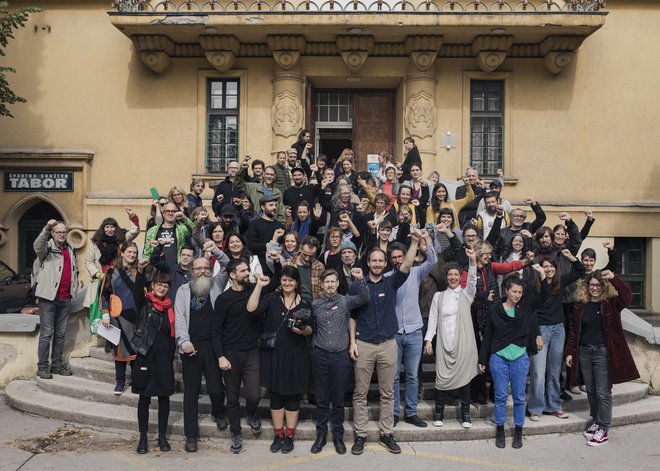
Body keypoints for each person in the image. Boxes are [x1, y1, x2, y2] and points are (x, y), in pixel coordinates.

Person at [349, 230, 420, 456]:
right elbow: (352, 316)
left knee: (387, 392)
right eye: (374, 260)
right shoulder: (358, 286)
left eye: (381, 260)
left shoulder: (391, 282)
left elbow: (407, 264)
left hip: (388, 344)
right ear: (368, 262)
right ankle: (360, 434)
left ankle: (386, 433)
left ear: (385, 263)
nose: (378, 264)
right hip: (364, 345)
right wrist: (352, 342)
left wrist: (415, 241)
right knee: (360, 393)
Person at [565, 270, 639, 447]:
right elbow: (574, 330)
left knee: (603, 392)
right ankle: (596, 421)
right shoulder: (580, 305)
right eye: (592, 285)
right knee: (590, 390)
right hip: (583, 352)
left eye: (598, 285)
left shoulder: (611, 304)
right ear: (586, 286)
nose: (595, 288)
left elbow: (627, 296)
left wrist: (613, 277)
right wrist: (569, 352)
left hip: (602, 353)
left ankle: (604, 428)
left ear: (604, 287)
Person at [213, 258, 280, 454]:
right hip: (230, 353)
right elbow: (216, 331)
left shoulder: (254, 289)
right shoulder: (223, 299)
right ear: (232, 275)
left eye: (248, 269)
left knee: (253, 394)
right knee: (232, 398)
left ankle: (251, 414)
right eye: (243, 271)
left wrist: (275, 263)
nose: (247, 273)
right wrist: (220, 356)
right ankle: (236, 432)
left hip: (252, 351)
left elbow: (275, 282)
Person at [247, 266, 312, 454]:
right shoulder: (272, 299)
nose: (287, 283)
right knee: (276, 397)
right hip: (274, 355)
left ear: (297, 283)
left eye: (291, 280)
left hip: (296, 355)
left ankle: (290, 436)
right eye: (284, 279)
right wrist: (259, 286)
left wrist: (302, 330)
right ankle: (278, 435)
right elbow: (251, 309)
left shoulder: (305, 303)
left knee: (292, 397)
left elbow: (310, 329)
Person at [310, 268, 369, 454]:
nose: (329, 285)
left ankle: (338, 436)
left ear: (337, 283)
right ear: (321, 284)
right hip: (320, 355)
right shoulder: (315, 305)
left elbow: (364, 298)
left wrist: (360, 279)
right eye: (326, 282)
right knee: (321, 399)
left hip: (340, 356)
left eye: (333, 282)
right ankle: (320, 436)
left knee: (337, 400)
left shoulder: (345, 301)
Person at [478, 276, 542, 449]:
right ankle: (500, 429)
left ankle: (518, 431)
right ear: (506, 291)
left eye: (520, 292)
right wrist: (483, 359)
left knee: (520, 398)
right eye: (514, 291)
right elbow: (489, 335)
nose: (517, 295)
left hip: (520, 358)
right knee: (500, 397)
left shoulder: (525, 309)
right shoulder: (495, 309)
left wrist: (541, 276)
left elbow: (542, 297)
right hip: (499, 358)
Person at [174, 256, 229, 452]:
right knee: (191, 392)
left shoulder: (216, 285)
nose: (203, 271)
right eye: (198, 268)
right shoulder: (183, 291)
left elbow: (226, 263)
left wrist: (213, 248)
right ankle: (190, 435)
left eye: (206, 267)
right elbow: (179, 316)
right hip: (191, 347)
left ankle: (218, 411)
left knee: (216, 387)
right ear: (192, 271)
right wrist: (184, 341)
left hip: (212, 346)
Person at [527, 250, 585, 422]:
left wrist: (571, 257)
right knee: (538, 372)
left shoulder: (560, 282)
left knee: (554, 371)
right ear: (540, 270)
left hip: (558, 330)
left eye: (551, 267)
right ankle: (536, 408)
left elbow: (580, 271)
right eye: (545, 267)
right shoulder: (533, 287)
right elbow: (531, 313)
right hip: (541, 330)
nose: (549, 269)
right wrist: (536, 334)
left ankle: (553, 405)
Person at [424, 248, 478, 428]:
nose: (453, 277)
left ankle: (466, 415)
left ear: (459, 276)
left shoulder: (466, 294)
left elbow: (472, 282)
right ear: (446, 277)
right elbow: (432, 320)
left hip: (464, 344)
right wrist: (429, 339)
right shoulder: (439, 297)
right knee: (441, 378)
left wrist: (472, 263)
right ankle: (438, 413)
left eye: (456, 274)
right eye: (450, 275)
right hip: (443, 342)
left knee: (465, 380)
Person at [389, 231, 437, 428]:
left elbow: (432, 259)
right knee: (392, 376)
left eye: (400, 256)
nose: (398, 260)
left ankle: (410, 412)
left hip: (415, 331)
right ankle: (392, 412)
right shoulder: (386, 277)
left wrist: (425, 239)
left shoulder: (415, 272)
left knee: (412, 375)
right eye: (394, 258)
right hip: (394, 334)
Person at [131, 269, 176, 455]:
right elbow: (136, 292)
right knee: (144, 398)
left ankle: (162, 436)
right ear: (152, 285)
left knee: (164, 398)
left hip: (164, 359)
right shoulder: (145, 303)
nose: (162, 287)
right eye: (159, 284)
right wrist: (140, 272)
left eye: (165, 285)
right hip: (146, 356)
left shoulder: (169, 308)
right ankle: (143, 437)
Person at [33, 219, 79, 379]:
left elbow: (74, 272)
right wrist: (46, 228)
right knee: (46, 333)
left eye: (64, 232)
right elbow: (37, 246)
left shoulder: (70, 249)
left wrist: (74, 291)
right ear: (53, 234)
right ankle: (42, 367)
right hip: (48, 297)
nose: (62, 234)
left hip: (65, 298)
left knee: (60, 334)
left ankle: (57, 366)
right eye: (58, 232)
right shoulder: (47, 249)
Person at [101, 242, 140, 395]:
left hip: (136, 318)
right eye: (129, 251)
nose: (132, 255)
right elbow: (104, 294)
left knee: (136, 350)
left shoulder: (141, 271)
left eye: (135, 252)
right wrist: (105, 313)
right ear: (122, 253)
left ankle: (137, 381)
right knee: (119, 351)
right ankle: (120, 381)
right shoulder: (111, 272)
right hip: (117, 317)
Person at [235, 159, 286, 224]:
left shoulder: (277, 193)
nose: (269, 176)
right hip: (255, 224)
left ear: (274, 177)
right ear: (263, 174)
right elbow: (238, 185)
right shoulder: (253, 187)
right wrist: (242, 169)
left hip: (271, 225)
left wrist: (279, 226)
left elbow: (281, 213)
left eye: (271, 175)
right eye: (267, 174)